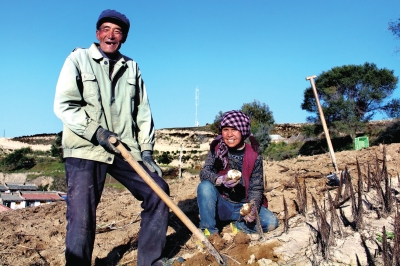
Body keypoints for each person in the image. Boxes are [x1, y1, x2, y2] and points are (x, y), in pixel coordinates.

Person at [54, 9, 170, 266]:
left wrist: (147, 151)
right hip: (86, 148)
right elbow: (64, 105)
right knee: (82, 218)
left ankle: (150, 261)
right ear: (97, 34)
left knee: (158, 191)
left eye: (117, 32)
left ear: (123, 38)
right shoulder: (78, 59)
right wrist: (96, 132)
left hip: (123, 149)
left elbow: (143, 112)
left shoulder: (132, 67)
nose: (111, 35)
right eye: (106, 29)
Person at [197, 110, 279, 235]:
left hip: (243, 205)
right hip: (222, 204)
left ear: (242, 131)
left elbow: (256, 188)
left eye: (234, 130)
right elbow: (204, 172)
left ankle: (239, 226)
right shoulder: (217, 149)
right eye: (225, 130)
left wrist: (252, 209)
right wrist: (220, 179)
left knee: (271, 222)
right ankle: (209, 232)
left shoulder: (254, 156)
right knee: (204, 187)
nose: (229, 134)